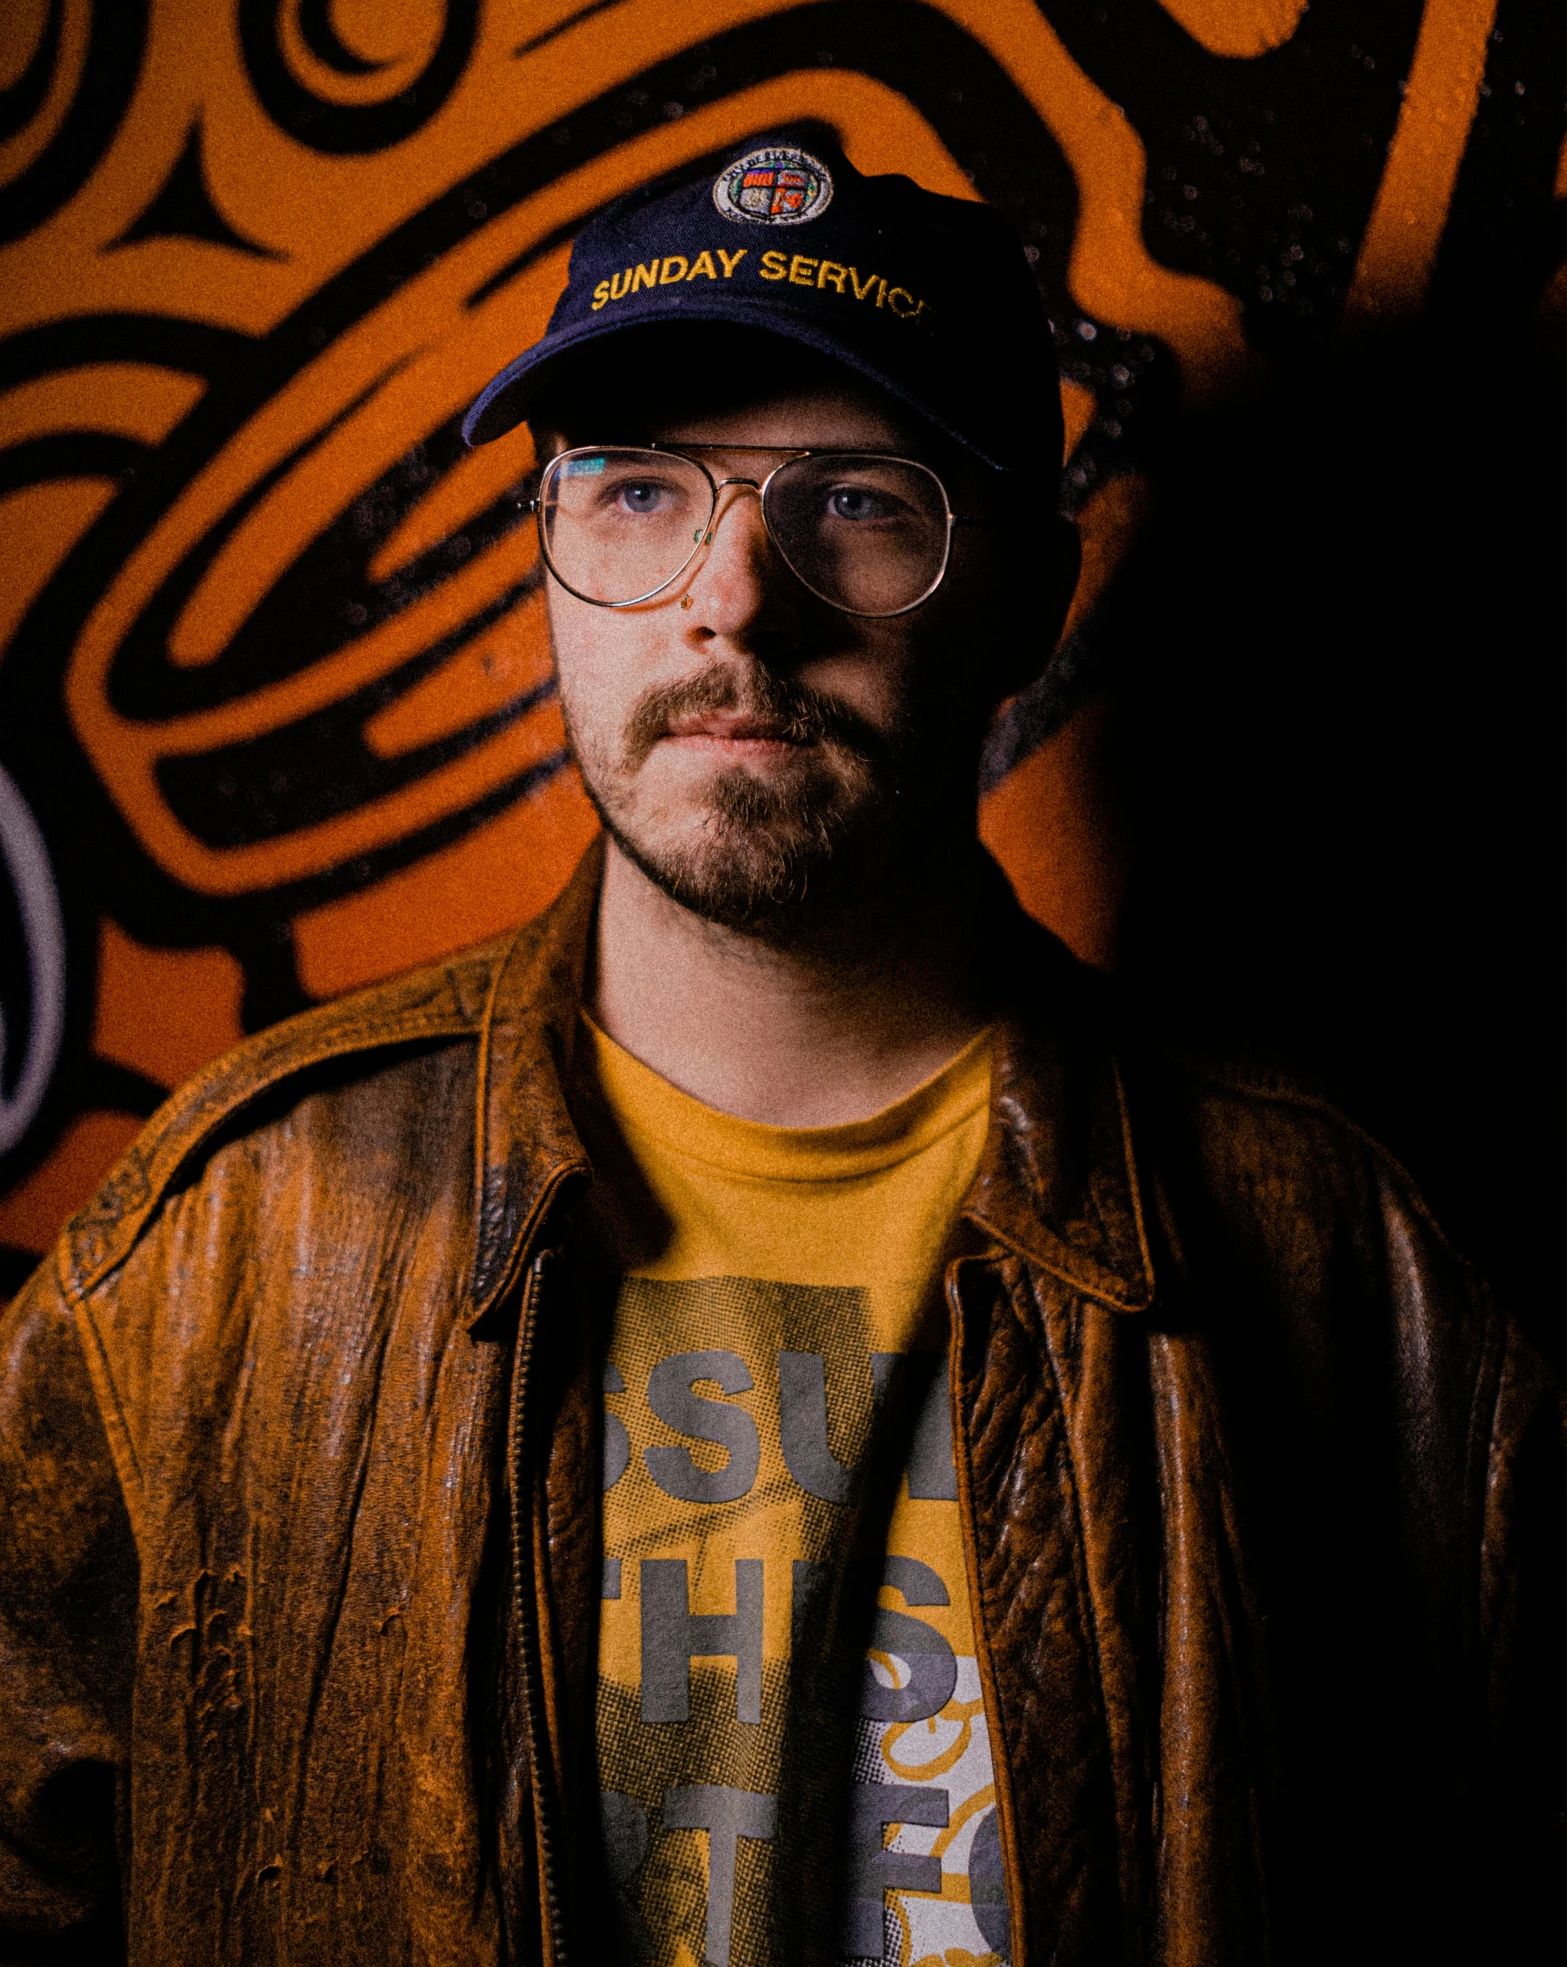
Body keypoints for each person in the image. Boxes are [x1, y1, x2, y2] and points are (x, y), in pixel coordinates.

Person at [0, 134, 1561, 1967]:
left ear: (1025, 601)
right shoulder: (223, 1246)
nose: (734, 598)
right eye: (640, 491)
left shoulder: (1341, 1267)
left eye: (857, 499)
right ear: (551, 553)